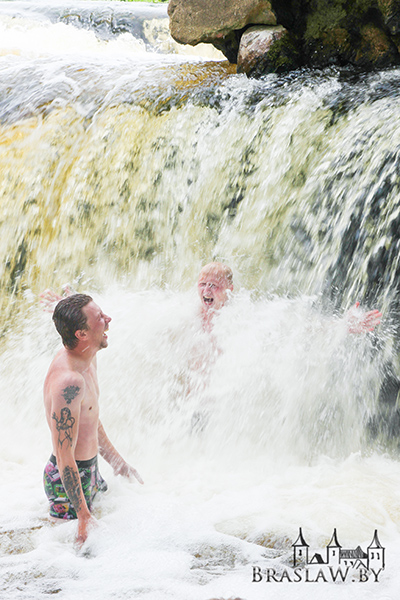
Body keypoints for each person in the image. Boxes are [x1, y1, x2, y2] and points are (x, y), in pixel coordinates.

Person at [43, 293, 143, 547]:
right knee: (73, 559)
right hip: (68, 481)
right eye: (100, 318)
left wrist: (117, 462)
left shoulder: (88, 356)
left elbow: (90, 420)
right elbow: (64, 455)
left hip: (90, 471)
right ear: (81, 335)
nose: (108, 319)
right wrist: (83, 516)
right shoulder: (69, 382)